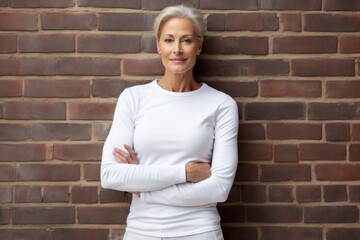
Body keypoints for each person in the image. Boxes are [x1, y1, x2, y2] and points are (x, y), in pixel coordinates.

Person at [101, 4, 239, 240]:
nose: (177, 49)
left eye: (186, 40)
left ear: (199, 46)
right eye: (169, 40)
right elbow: (111, 175)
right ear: (158, 45)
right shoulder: (133, 98)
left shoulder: (221, 105)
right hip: (141, 231)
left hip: (199, 231)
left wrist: (142, 189)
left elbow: (219, 189)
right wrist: (184, 173)